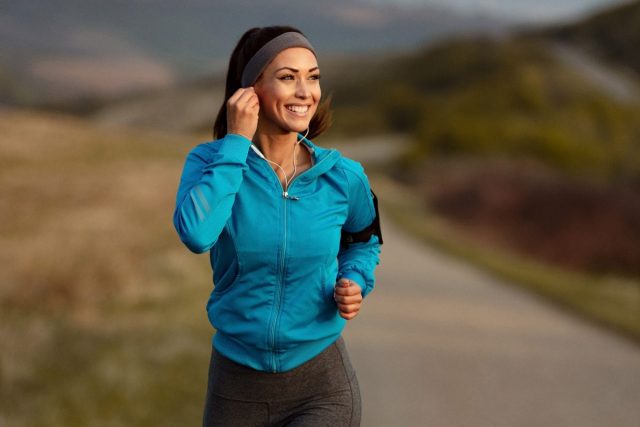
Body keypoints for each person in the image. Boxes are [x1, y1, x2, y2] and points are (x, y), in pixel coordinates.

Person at [172, 25, 382, 427]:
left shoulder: (344, 176)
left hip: (323, 386)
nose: (306, 92)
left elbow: (364, 240)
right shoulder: (208, 163)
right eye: (288, 77)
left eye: (313, 77)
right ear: (249, 91)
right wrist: (235, 143)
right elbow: (197, 234)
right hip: (236, 387)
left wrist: (356, 278)